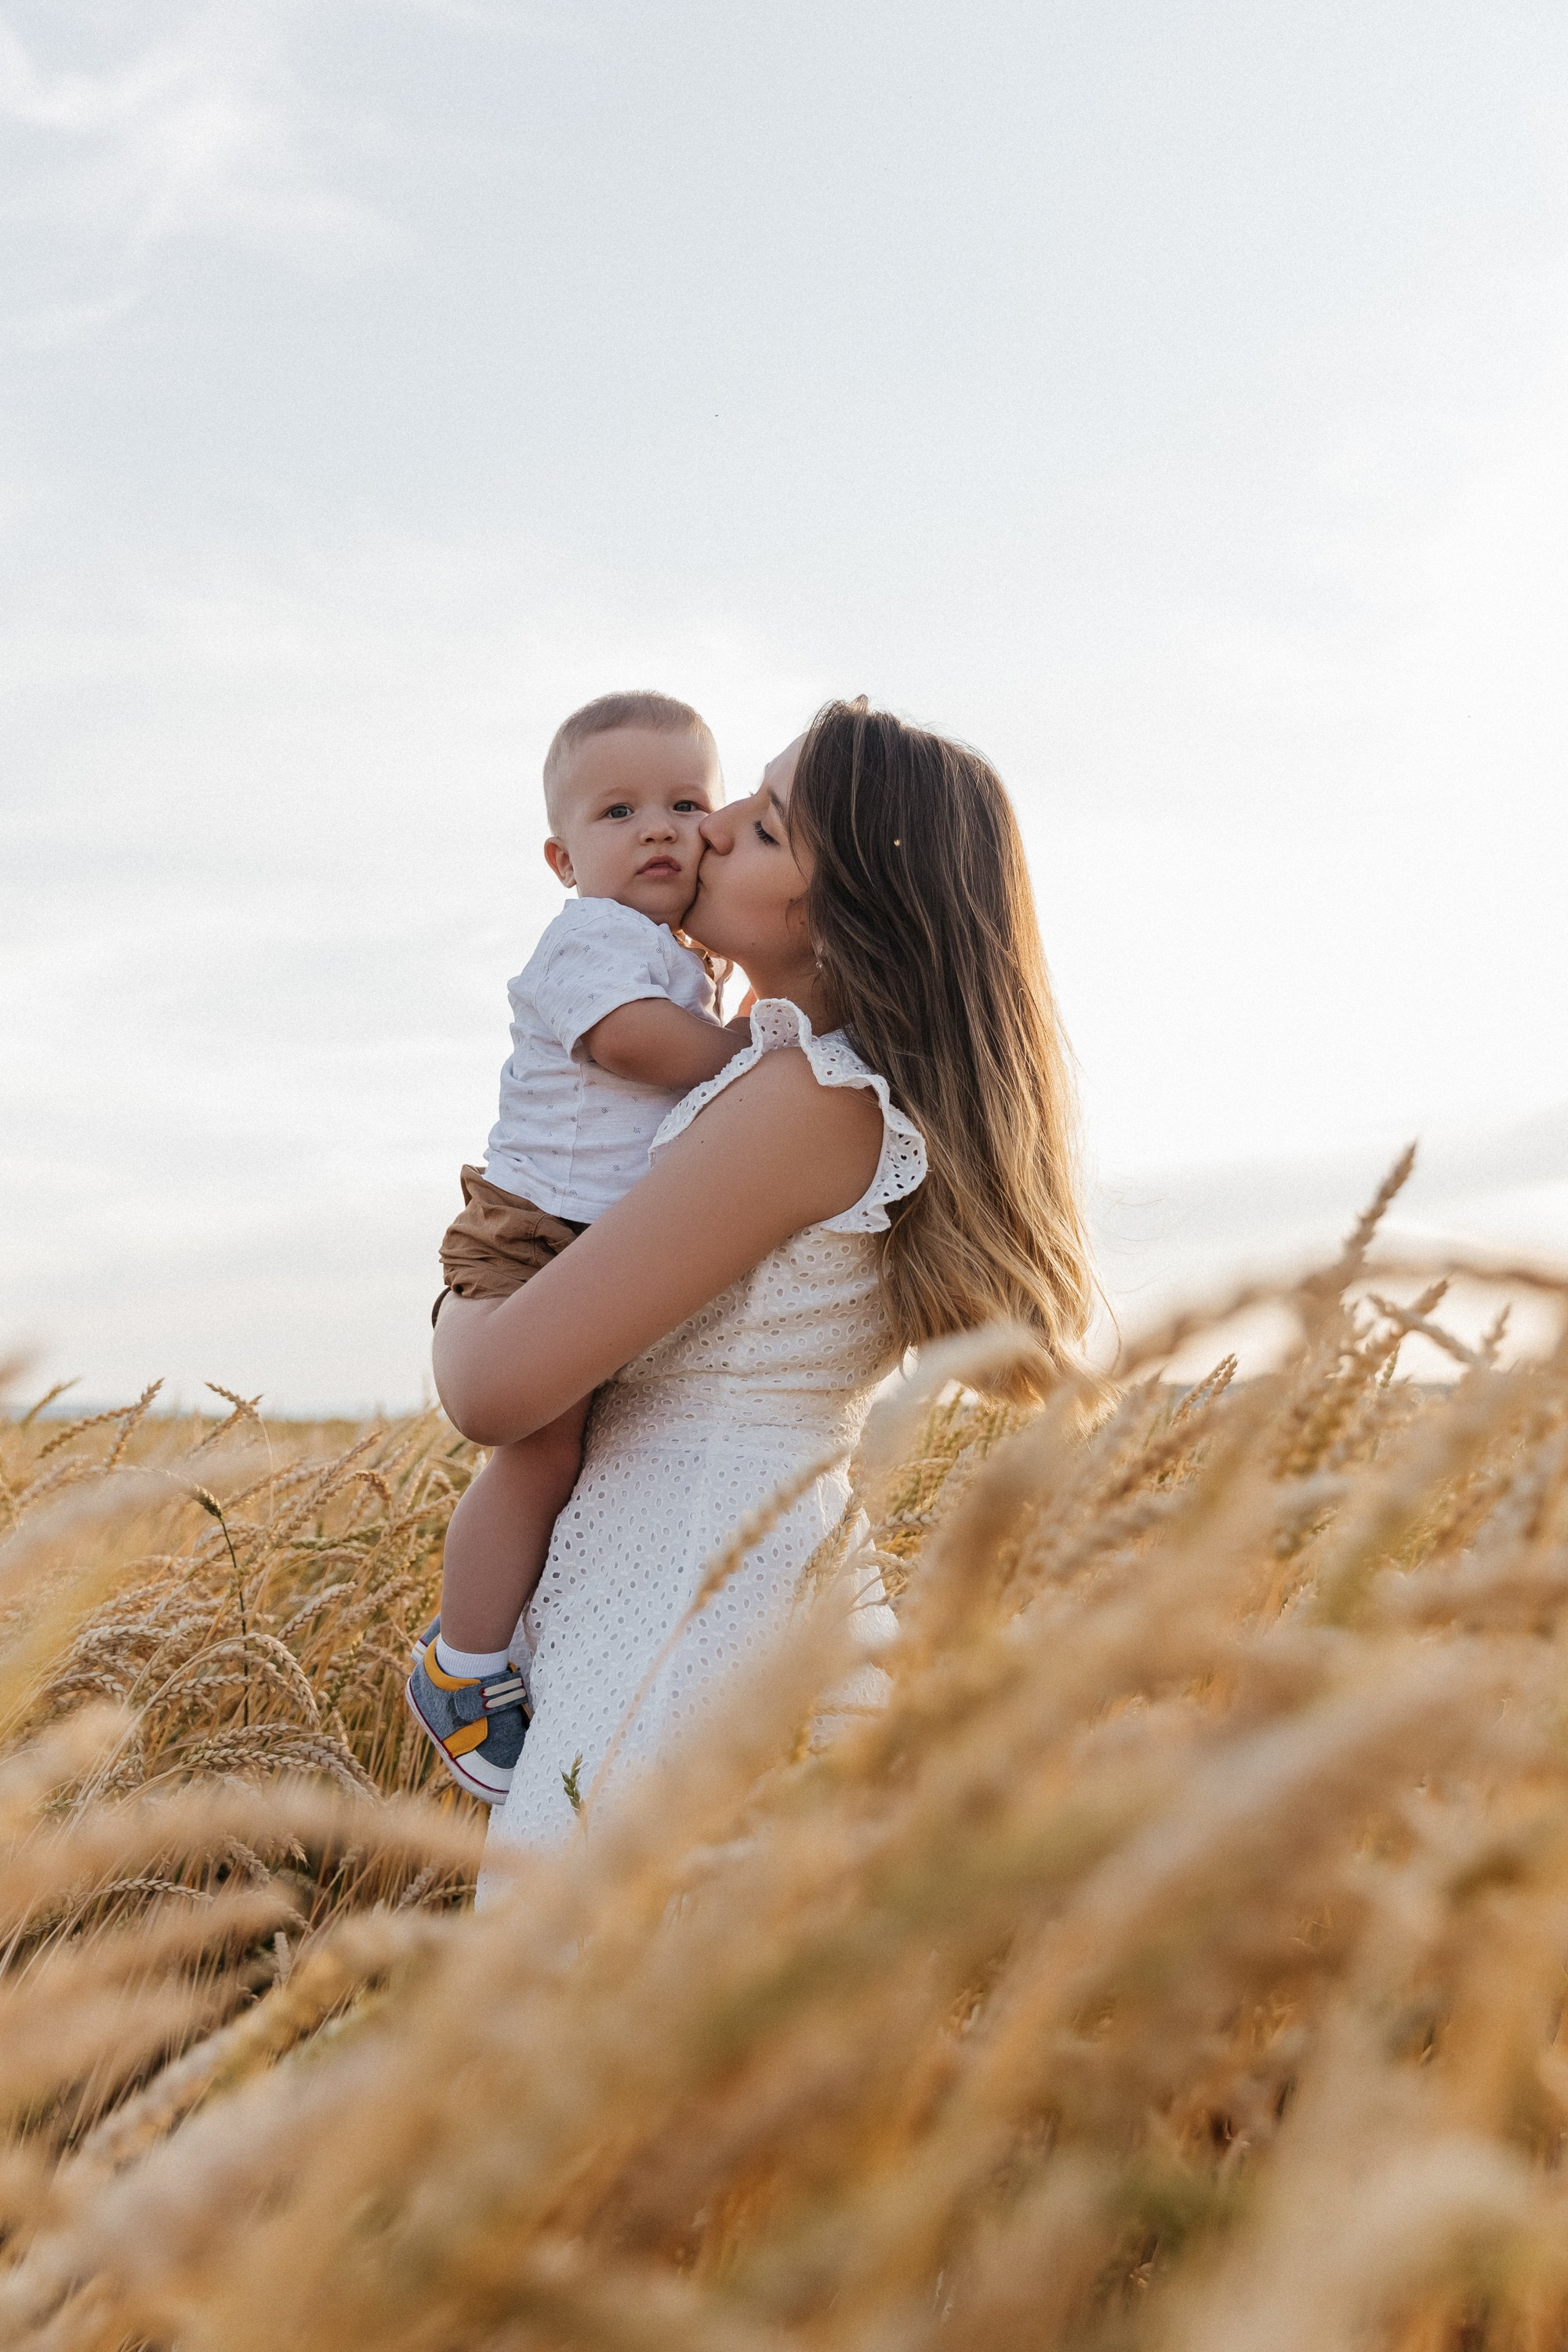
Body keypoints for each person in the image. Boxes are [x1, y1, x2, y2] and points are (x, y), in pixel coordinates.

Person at [432, 698, 1094, 1848]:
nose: (715, 825)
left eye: (768, 827)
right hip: (696, 1600)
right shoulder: (799, 1086)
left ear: (844, 923)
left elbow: (489, 1392)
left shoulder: (803, 1100)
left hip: (691, 1633)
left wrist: (462, 1288)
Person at [408, 691, 751, 1801]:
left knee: (577, 1457)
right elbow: (633, 1042)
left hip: (596, 1240)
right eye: (618, 812)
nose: (657, 828)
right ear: (563, 857)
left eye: (685, 803)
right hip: (537, 1236)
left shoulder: (679, 951)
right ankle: (460, 1666)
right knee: (541, 1451)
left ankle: (520, 1639)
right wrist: (743, 1046)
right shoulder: (590, 942)